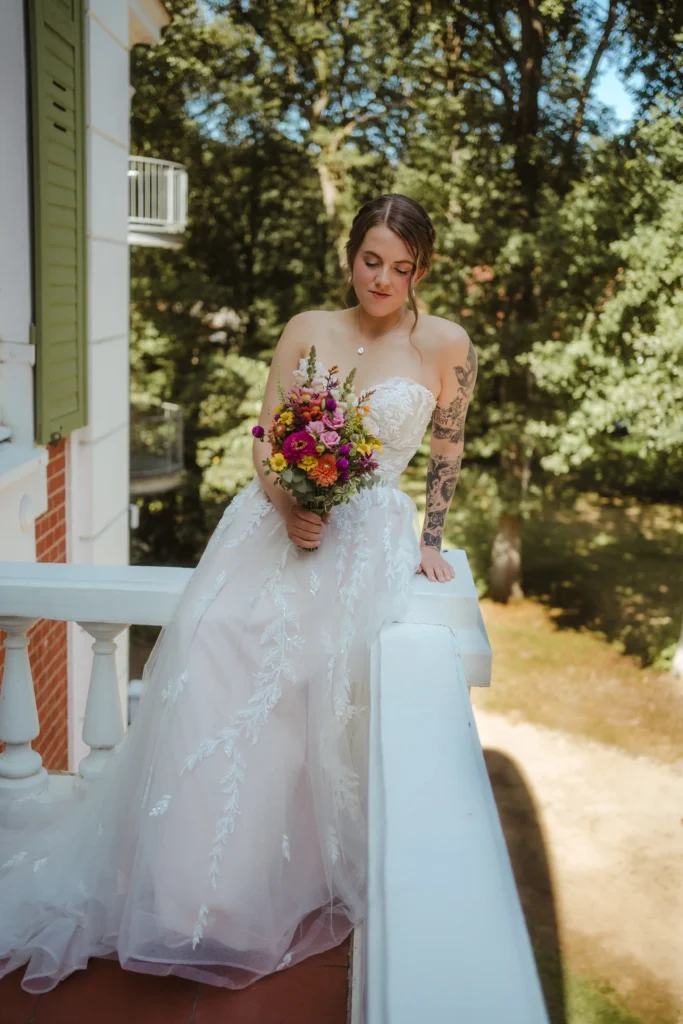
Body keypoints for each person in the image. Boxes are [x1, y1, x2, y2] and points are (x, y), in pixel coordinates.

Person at [0, 193, 477, 993]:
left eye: (400, 267)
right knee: (215, 646)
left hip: (364, 538)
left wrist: (429, 541)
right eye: (370, 260)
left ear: (419, 269)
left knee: (299, 684)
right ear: (349, 253)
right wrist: (289, 502)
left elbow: (448, 449)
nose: (382, 279)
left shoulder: (447, 344)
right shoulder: (307, 329)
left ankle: (250, 893)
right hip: (272, 523)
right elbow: (265, 436)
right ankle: (181, 890)